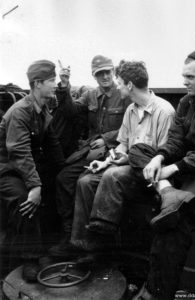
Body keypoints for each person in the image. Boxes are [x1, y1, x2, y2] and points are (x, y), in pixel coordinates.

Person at [122, 50, 195, 299]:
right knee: (139, 150)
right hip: (185, 165)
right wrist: (160, 157)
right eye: (183, 76)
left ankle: (155, 293)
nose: (184, 81)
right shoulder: (186, 102)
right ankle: (167, 191)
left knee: (176, 219)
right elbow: (175, 140)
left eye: (190, 77)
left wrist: (174, 167)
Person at [67, 60, 175, 252]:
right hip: (128, 165)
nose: (117, 85)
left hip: (148, 172)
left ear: (130, 85)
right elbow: (123, 143)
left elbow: (164, 154)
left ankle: (101, 233)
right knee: (85, 182)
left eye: (119, 81)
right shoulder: (131, 110)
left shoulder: (164, 111)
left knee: (112, 176)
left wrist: (125, 161)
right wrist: (105, 162)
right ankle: (81, 245)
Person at [50, 55, 131, 255]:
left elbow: (131, 127)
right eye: (99, 73)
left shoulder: (125, 94)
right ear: (94, 76)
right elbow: (70, 111)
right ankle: (69, 235)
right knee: (63, 178)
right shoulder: (91, 95)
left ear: (113, 72)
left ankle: (92, 243)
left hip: (116, 151)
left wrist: (106, 138)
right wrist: (65, 85)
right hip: (92, 152)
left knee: (85, 182)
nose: (104, 76)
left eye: (107, 72)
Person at [0, 60, 65, 282]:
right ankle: (30, 257)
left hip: (24, 167)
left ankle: (49, 248)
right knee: (24, 200)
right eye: (51, 80)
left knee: (58, 184)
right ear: (37, 83)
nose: (55, 84)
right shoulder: (21, 112)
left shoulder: (42, 109)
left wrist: (64, 170)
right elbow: (18, 152)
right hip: (6, 169)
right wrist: (35, 186)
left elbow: (51, 143)